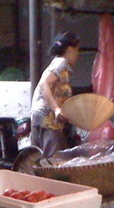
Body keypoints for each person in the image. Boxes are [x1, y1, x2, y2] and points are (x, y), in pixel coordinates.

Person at [30, 31, 80, 159]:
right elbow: (43, 83)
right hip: (48, 119)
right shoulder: (61, 63)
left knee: (41, 161)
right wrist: (56, 108)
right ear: (70, 49)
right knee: (55, 162)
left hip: (41, 118)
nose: (77, 55)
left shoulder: (58, 64)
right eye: (77, 50)